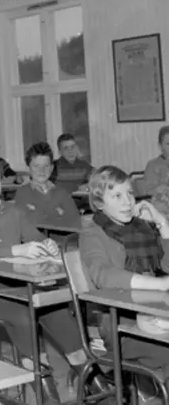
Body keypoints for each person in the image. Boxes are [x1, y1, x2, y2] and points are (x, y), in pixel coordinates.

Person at [0, 158, 108, 404]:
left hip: (20, 280)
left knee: (56, 310)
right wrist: (18, 250)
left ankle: (95, 381)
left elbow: (33, 236)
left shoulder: (14, 210)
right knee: (24, 315)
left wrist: (46, 243)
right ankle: (45, 389)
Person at [80, 165, 169, 399]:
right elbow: (103, 275)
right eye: (117, 196)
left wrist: (161, 222)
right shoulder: (92, 233)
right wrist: (159, 284)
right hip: (119, 325)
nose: (128, 201)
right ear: (99, 202)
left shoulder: (142, 229)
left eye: (129, 193)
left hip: (154, 312)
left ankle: (146, 391)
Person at [14, 142, 82, 230]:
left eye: (46, 166)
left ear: (52, 168)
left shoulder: (62, 193)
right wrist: (58, 212)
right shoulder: (22, 193)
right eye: (36, 166)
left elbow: (76, 223)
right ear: (29, 168)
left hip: (64, 238)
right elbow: (28, 223)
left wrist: (38, 211)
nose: (41, 170)